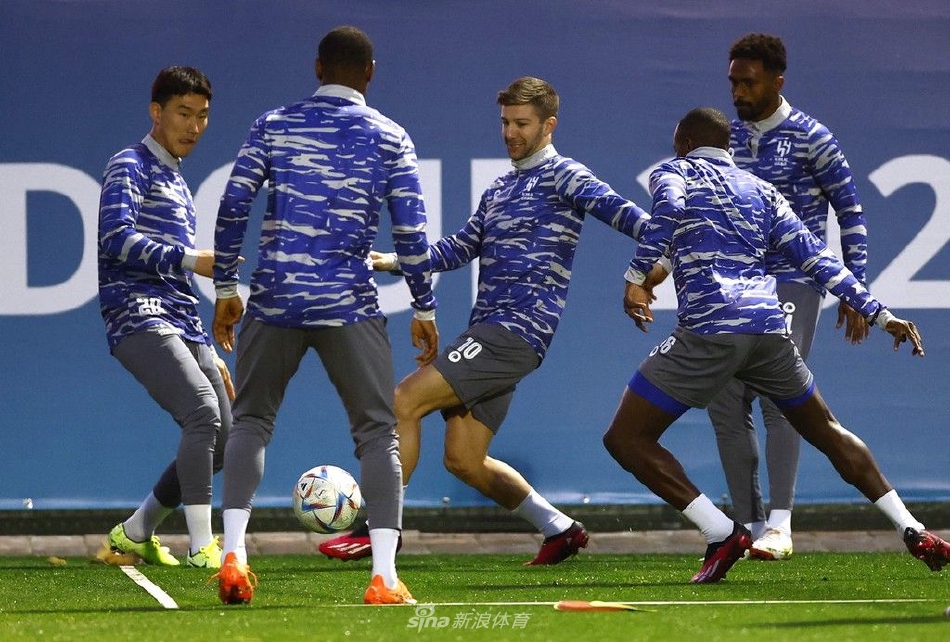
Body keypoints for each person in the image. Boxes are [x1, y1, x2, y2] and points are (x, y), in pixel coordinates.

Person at [602, 106, 949, 584]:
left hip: (709, 330)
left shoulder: (673, 172)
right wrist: (879, 313)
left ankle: (722, 531)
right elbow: (817, 257)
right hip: (769, 330)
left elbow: (669, 213)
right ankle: (912, 528)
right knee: (827, 430)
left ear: (684, 143)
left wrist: (636, 276)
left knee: (625, 438)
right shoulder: (762, 191)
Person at [319, 76, 654, 566]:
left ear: (549, 125)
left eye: (522, 124)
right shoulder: (500, 187)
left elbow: (640, 223)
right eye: (505, 122)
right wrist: (395, 261)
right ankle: (560, 529)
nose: (510, 133)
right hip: (491, 330)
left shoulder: (566, 176)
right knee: (464, 460)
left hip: (516, 332)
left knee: (402, 402)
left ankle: (378, 529)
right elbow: (461, 247)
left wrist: (641, 274)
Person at [209, 26, 438, 606]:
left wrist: (226, 287)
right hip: (349, 304)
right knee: (378, 433)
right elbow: (412, 234)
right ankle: (383, 577)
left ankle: (233, 554)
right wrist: (423, 304)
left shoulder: (273, 124)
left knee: (251, 421)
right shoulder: (390, 135)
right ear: (371, 73)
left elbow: (233, 205)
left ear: (317, 68)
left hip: (275, 298)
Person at [707, 33, 871, 561]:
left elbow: (850, 211)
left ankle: (780, 524)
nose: (738, 92)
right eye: (733, 82)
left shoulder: (812, 137)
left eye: (748, 83)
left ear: (778, 81)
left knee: (781, 394)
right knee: (723, 397)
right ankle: (749, 525)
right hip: (734, 283)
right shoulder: (725, 138)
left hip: (792, 279)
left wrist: (855, 288)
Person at [97, 66, 231, 569]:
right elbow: (115, 237)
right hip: (136, 312)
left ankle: (136, 531)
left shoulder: (175, 178)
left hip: (179, 318)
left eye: (202, 116)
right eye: (183, 113)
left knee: (225, 439)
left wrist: (207, 348)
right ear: (156, 112)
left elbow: (177, 280)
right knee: (202, 413)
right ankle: (202, 546)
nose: (193, 126)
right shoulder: (128, 164)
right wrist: (190, 258)